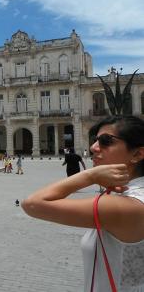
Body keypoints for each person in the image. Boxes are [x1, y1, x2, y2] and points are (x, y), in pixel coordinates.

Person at [22, 115, 144, 292]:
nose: (93, 147)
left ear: (137, 154)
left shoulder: (128, 205)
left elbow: (32, 203)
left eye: (106, 141)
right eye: (95, 140)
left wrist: (90, 176)